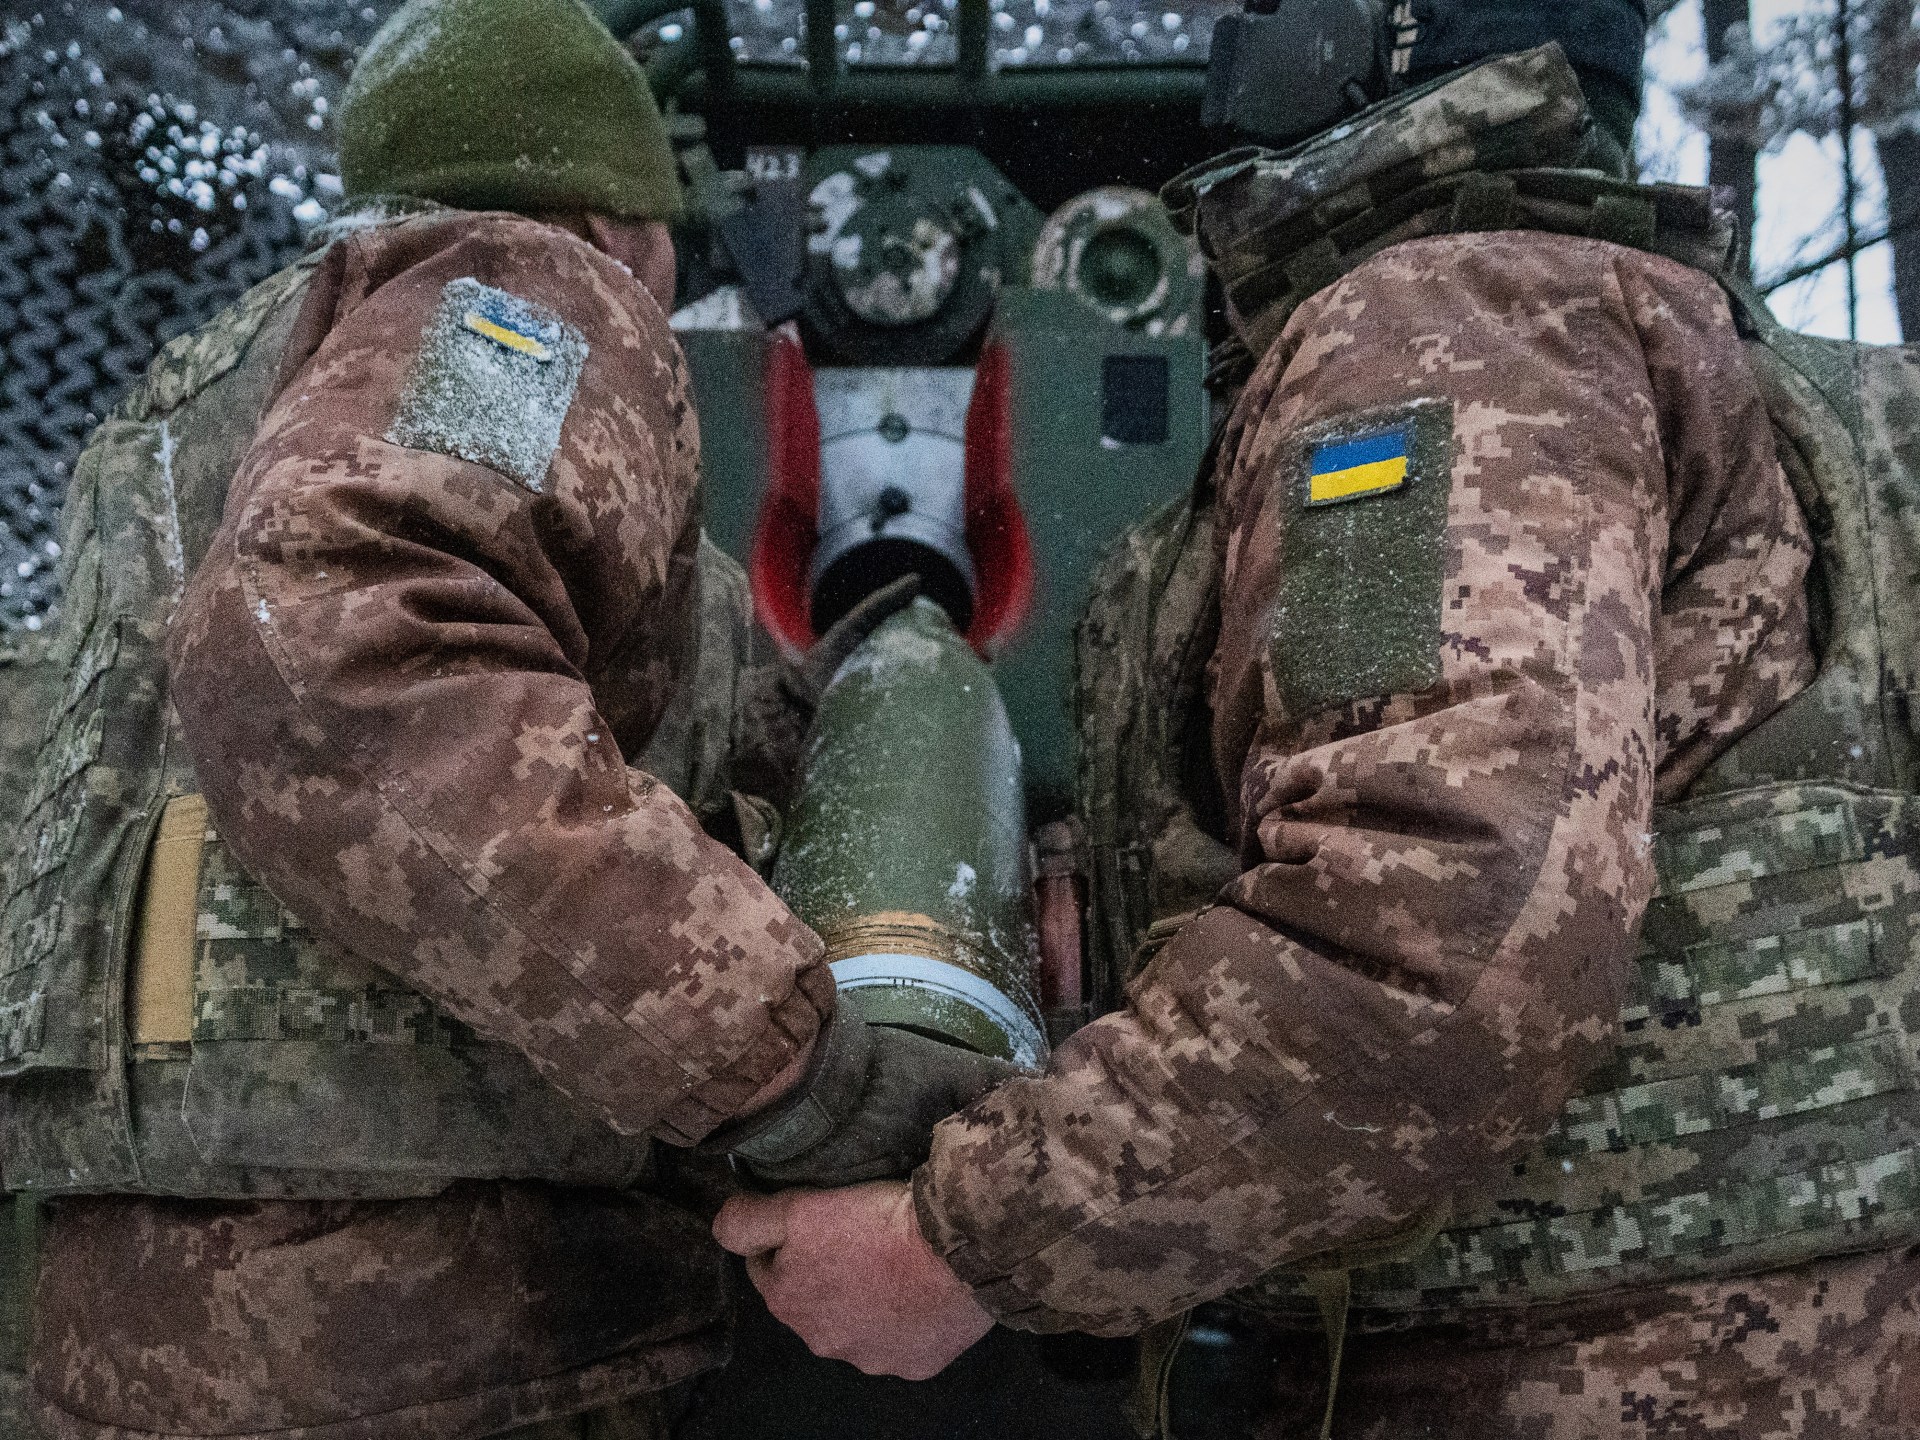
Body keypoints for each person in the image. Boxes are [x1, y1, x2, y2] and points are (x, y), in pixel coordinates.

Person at [715, 10, 1920, 1435]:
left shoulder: (1446, 329)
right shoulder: (1637, 327)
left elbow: (1433, 921)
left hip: (1576, 1373)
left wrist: (966, 1243)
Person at [10, 1, 1006, 1436]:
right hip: (429, 1320)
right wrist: (782, 1066)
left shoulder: (199, 406)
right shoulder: (521, 298)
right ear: (622, 220)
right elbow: (347, 653)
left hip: (131, 1314)